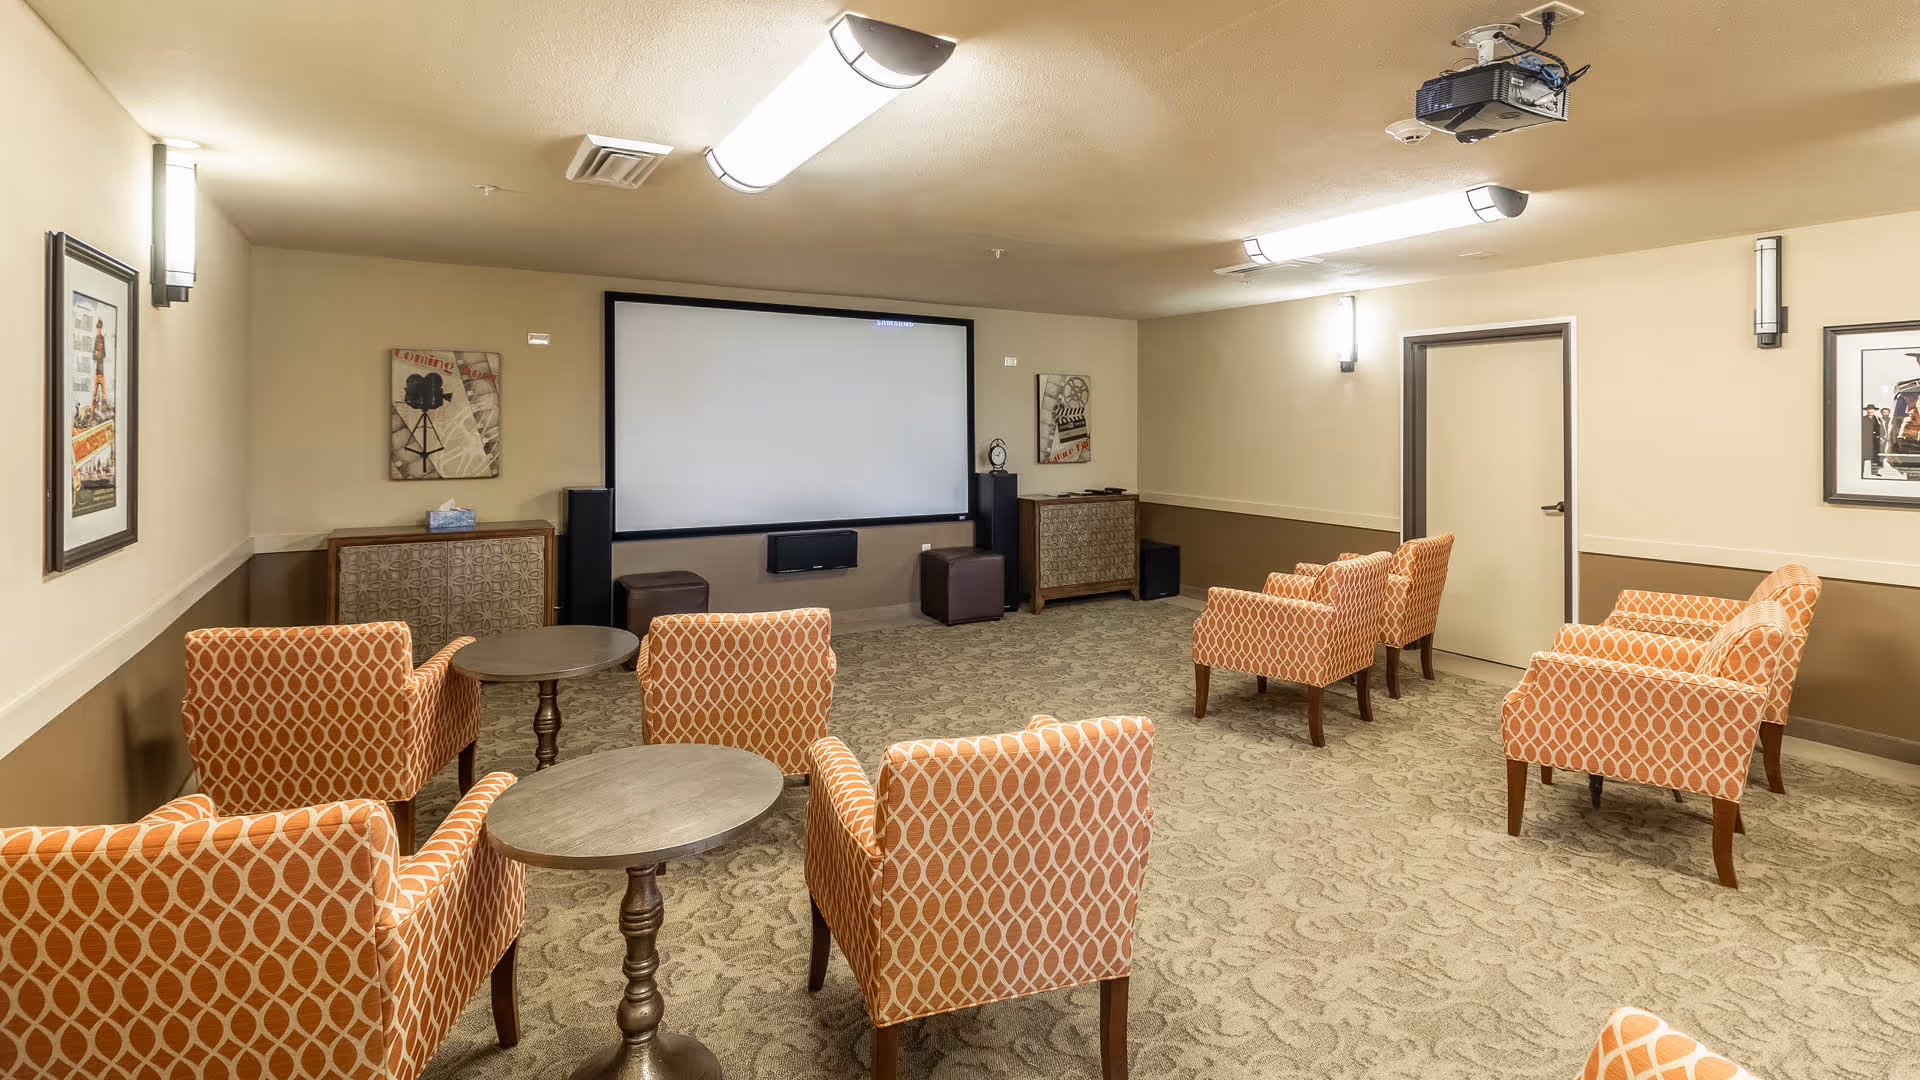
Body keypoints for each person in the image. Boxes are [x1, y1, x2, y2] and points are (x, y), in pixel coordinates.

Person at [1863, 405, 1884, 477]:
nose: (1870, 411)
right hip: (1865, 440)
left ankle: (1875, 471)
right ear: (1866, 411)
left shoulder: (1877, 419)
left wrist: (1880, 437)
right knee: (1863, 456)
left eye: (1871, 409)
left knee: (1875, 456)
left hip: (1874, 440)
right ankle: (1861, 472)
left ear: (1874, 410)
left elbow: (1879, 429)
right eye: (1868, 410)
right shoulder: (1863, 419)